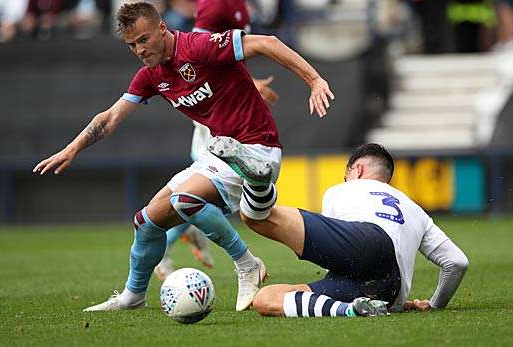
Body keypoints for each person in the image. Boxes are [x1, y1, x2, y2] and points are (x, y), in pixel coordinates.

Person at [33, 2, 334, 312]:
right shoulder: (151, 76)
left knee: (185, 200)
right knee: (147, 221)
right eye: (132, 45)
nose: (140, 49)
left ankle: (247, 264)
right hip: (218, 153)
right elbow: (109, 118)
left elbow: (267, 43)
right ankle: (132, 296)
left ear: (162, 28)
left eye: (144, 39)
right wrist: (71, 149)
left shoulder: (198, 46)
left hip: (256, 149)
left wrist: (314, 81)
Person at [208, 143, 468, 317]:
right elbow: (456, 262)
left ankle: (257, 182)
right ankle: (352, 311)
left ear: (358, 169)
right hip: (388, 291)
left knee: (255, 216)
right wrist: (434, 305)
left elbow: (335, 251)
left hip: (363, 244)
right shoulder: (414, 208)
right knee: (266, 299)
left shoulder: (342, 190)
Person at [154, 0, 279, 281]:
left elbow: (227, 57)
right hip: (213, 111)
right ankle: (167, 246)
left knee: (208, 194)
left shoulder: (242, 6)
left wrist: (250, 84)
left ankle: (187, 233)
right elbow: (195, 61)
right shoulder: (214, 5)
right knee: (201, 191)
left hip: (228, 104)